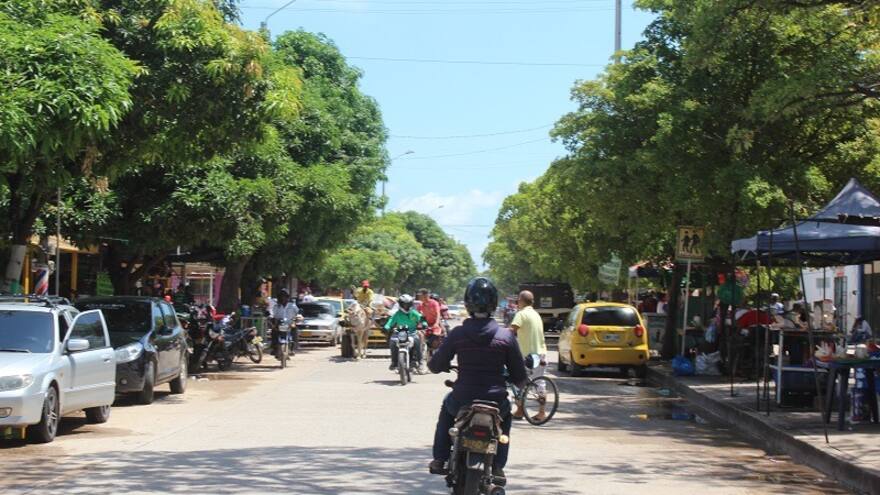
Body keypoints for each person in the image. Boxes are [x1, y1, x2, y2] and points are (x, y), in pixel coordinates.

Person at [428, 277, 527, 481]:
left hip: (462, 399)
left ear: (467, 304)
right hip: (496, 402)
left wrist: (440, 365)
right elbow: (519, 376)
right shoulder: (506, 336)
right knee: (506, 419)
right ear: (494, 304)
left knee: (446, 409)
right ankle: (498, 466)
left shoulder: (458, 334)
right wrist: (516, 380)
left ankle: (439, 458)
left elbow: (435, 365)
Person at [509, 290, 548, 421]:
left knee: (517, 380)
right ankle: (541, 412)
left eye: (518, 300)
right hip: (541, 354)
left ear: (521, 301)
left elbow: (511, 331)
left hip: (528, 356)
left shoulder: (521, 314)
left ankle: (520, 410)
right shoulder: (536, 314)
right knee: (540, 383)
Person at [383, 294, 424, 370]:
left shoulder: (414, 313)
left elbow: (421, 319)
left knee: (417, 341)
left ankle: (420, 362)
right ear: (401, 304)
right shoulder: (397, 314)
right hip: (400, 332)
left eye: (407, 304)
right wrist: (386, 327)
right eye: (404, 304)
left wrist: (424, 324)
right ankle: (394, 362)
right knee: (392, 342)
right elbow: (391, 320)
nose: (406, 306)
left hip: (412, 333)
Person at [271, 289, 300, 356]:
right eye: (281, 296)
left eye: (284, 296)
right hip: (279, 324)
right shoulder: (276, 306)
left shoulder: (292, 306)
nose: (283, 298)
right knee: (274, 331)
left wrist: (298, 318)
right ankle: (274, 348)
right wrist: (272, 319)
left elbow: (297, 313)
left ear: (287, 297)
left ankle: (292, 348)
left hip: (290, 324)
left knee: (294, 330)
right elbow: (273, 315)